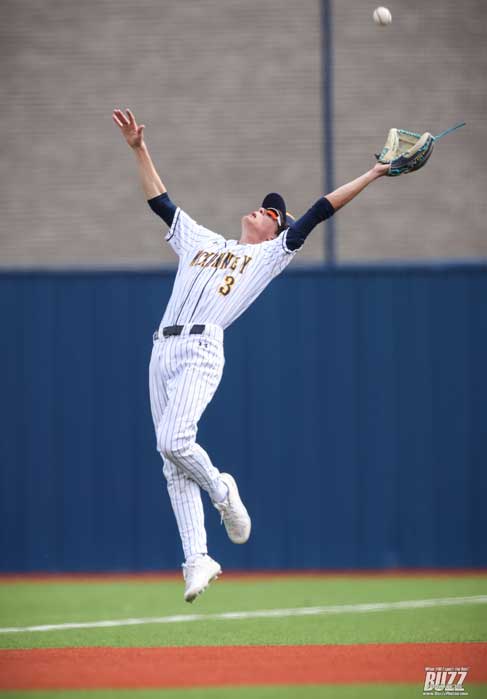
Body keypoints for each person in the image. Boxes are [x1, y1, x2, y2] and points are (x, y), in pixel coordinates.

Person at [112, 108, 390, 602]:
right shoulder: (202, 241)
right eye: (263, 207)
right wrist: (138, 148)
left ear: (274, 229)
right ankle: (196, 558)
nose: (262, 210)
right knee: (169, 459)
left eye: (271, 212)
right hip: (162, 349)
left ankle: (222, 491)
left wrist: (371, 173)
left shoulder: (267, 257)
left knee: (176, 440)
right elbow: (161, 202)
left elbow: (321, 210)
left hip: (201, 347)